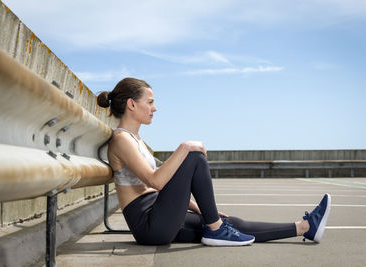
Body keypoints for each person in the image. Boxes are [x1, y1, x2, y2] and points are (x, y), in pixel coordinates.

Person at [96, 77, 331, 246]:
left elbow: (161, 188)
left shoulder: (136, 139)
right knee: (194, 156)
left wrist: (202, 209)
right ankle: (215, 229)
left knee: (230, 222)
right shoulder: (121, 139)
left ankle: (304, 227)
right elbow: (156, 182)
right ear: (131, 104)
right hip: (149, 225)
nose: (154, 108)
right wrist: (184, 147)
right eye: (150, 102)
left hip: (160, 214)